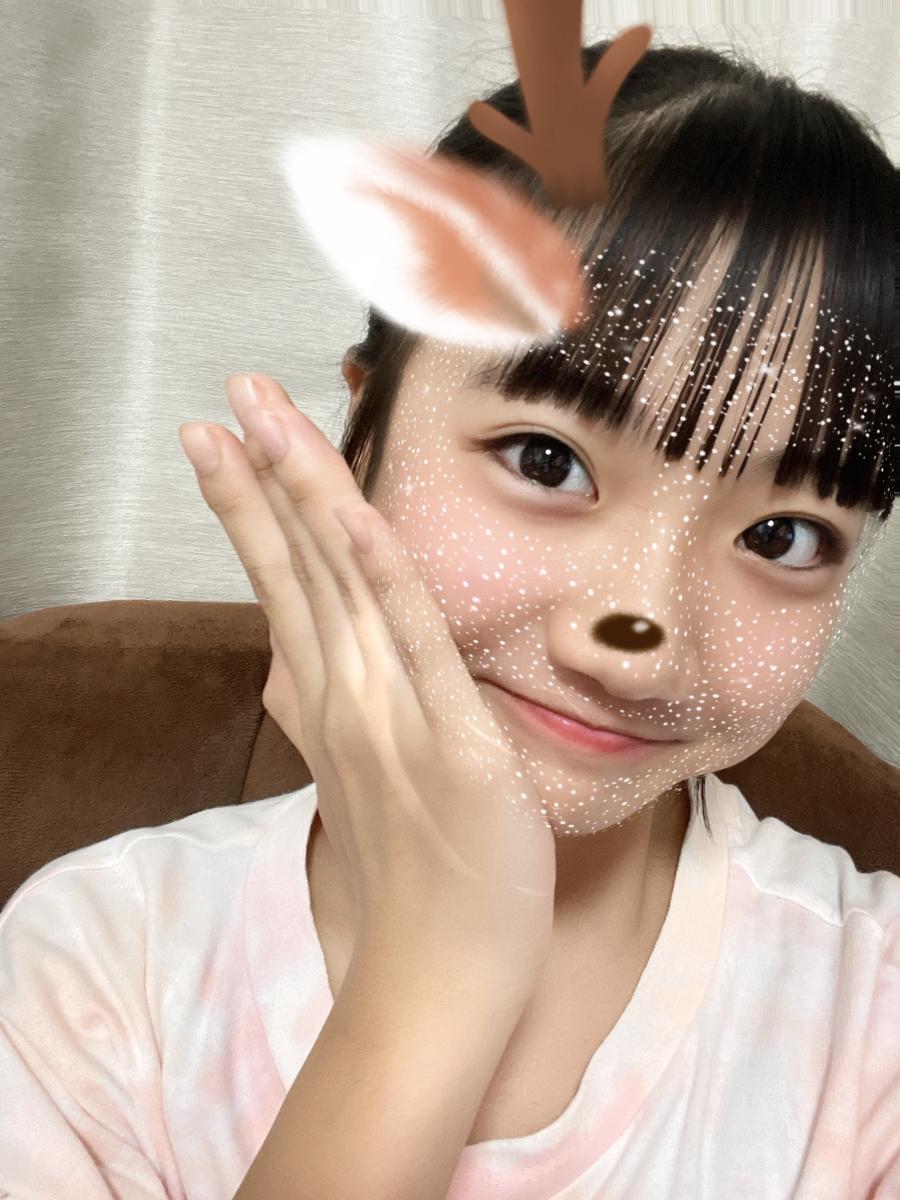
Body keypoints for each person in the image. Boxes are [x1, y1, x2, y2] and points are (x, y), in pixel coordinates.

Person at [1, 37, 897, 1200]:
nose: (638, 639)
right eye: (545, 458)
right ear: (360, 433)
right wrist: (436, 977)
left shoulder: (871, 1022)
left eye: (782, 536)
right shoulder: (97, 971)